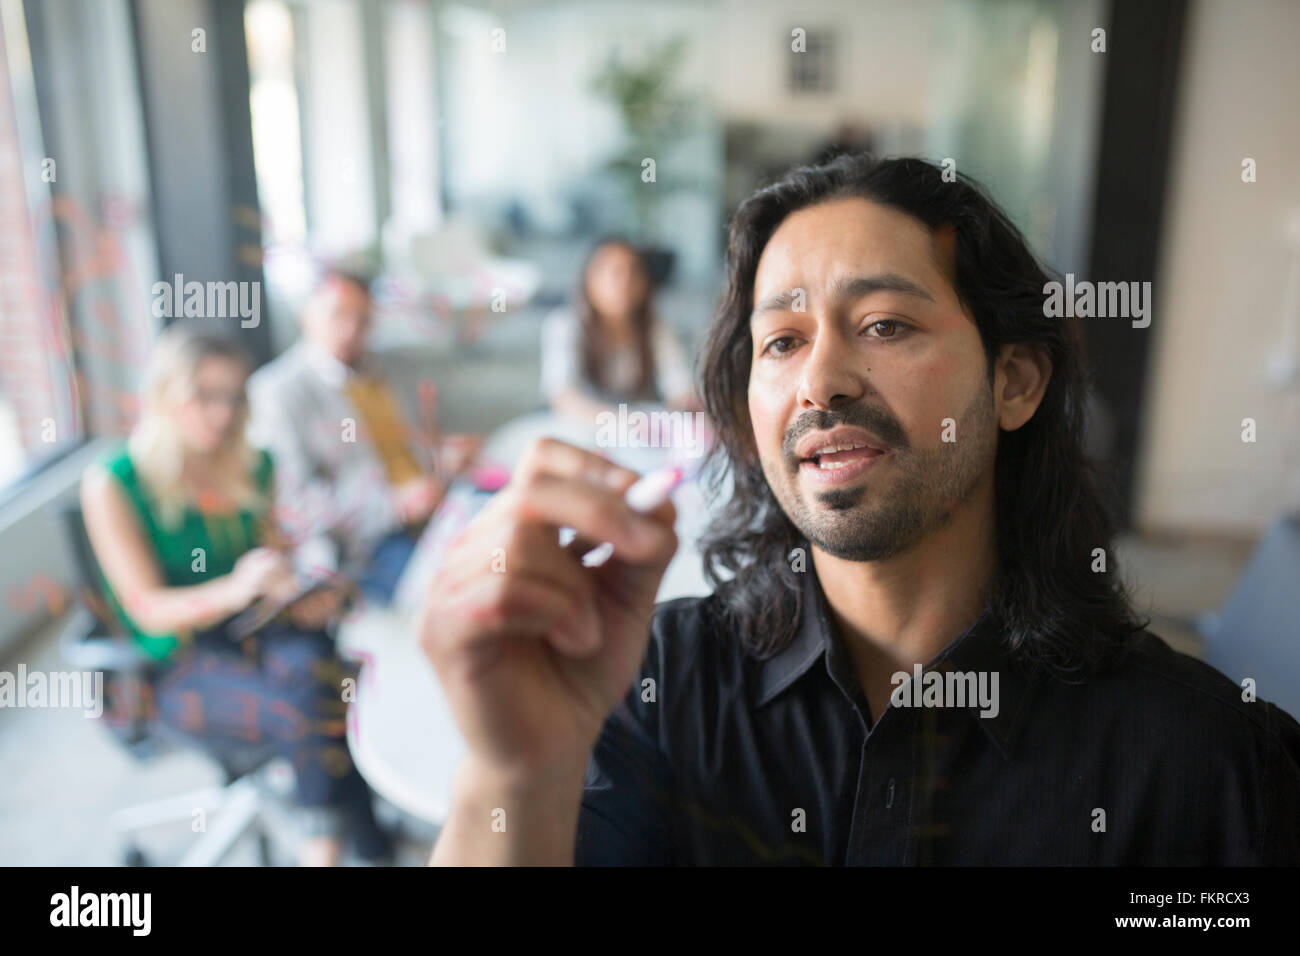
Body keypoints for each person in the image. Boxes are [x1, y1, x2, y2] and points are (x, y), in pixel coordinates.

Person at [418, 154, 1300, 865]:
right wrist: (515, 776)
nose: (821, 381)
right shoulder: (654, 686)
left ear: (1015, 381)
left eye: (884, 325)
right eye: (783, 341)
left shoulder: (1202, 767)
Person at [80, 321, 390, 866]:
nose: (222, 413)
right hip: (174, 662)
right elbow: (148, 612)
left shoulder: (252, 465)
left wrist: (300, 590)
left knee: (328, 668)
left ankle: (347, 845)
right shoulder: (113, 482)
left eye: (231, 397)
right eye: (203, 396)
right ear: (165, 396)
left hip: (254, 631)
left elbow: (275, 560)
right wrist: (234, 588)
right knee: (318, 699)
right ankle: (345, 849)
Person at [247, 268, 479, 604]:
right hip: (371, 539)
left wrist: (446, 455)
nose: (350, 329)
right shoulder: (278, 392)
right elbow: (295, 499)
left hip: (443, 502)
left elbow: (424, 437)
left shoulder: (395, 368)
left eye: (362, 319)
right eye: (337, 315)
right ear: (306, 315)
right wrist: (396, 505)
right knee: (464, 589)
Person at [541, 238, 699, 430]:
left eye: (633, 272)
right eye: (613, 272)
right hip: (583, 429)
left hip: (640, 436)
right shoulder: (565, 325)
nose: (624, 282)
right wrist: (622, 422)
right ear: (589, 279)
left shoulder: (656, 329)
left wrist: (688, 408)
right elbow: (563, 395)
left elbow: (679, 387)